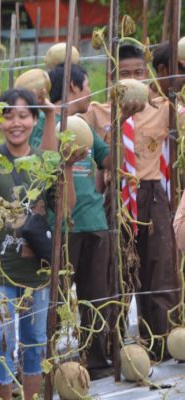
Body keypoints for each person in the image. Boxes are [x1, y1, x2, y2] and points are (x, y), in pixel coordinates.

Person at [0, 88, 77, 399]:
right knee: (1, 342)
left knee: (34, 342)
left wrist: (68, 167)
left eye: (23, 115)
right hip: (0, 269)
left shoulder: (45, 162)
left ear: (33, 119)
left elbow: (65, 210)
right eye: (7, 115)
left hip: (37, 271)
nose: (15, 122)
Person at [81, 44, 181, 361]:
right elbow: (69, 125)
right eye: (124, 74)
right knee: (114, 271)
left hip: (152, 195)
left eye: (139, 73)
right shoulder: (99, 112)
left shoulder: (164, 108)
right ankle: (112, 345)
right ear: (112, 77)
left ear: (148, 73)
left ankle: (162, 344)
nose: (133, 79)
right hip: (117, 194)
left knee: (159, 268)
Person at [45, 62, 117, 379]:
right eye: (87, 85)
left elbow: (112, 160)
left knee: (96, 297)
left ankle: (97, 362)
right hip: (60, 226)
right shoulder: (46, 125)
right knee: (53, 300)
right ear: (73, 86)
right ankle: (43, 363)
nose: (91, 91)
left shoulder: (84, 125)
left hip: (95, 221)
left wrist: (122, 122)